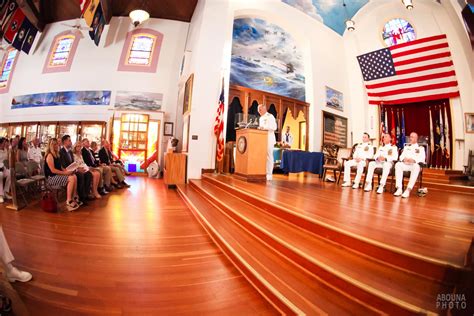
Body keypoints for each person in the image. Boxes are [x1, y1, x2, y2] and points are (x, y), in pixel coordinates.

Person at [44, 138, 80, 211]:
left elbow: (61, 167)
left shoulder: (57, 154)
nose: (58, 145)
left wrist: (68, 170)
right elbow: (53, 170)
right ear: (52, 145)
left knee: (74, 176)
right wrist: (65, 173)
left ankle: (74, 197)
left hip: (57, 175)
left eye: (57, 144)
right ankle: (68, 200)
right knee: (71, 178)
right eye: (56, 144)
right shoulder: (50, 155)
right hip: (51, 178)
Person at [59, 135, 93, 203]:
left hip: (74, 169)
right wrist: (77, 169)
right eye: (69, 140)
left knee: (88, 174)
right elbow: (64, 166)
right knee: (80, 175)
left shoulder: (70, 152)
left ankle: (86, 194)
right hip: (67, 171)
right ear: (65, 142)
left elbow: (73, 163)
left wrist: (78, 167)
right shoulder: (61, 152)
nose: (71, 142)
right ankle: (81, 197)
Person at [394, 132, 426, 198]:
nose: (410, 138)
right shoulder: (406, 147)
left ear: (416, 138)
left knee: (417, 166)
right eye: (410, 137)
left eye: (412, 137)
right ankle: (399, 188)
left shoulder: (420, 148)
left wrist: (414, 160)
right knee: (398, 164)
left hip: (413, 165)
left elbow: (422, 159)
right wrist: (403, 159)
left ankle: (408, 189)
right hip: (405, 164)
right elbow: (401, 157)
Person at [258, 104, 277, 181]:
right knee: (263, 156)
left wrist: (264, 128)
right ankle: (263, 172)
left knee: (269, 156)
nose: (259, 111)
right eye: (258, 110)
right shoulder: (261, 118)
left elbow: (274, 127)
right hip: (262, 139)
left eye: (260, 109)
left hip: (269, 139)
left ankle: (269, 174)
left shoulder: (270, 116)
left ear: (264, 109)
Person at [0, 138, 12, 203]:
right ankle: (0, 195)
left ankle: (5, 192)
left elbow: (7, 160)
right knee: (0, 175)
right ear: (1, 143)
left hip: (3, 167)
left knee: (10, 173)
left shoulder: (5, 150)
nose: (5, 143)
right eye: (4, 142)